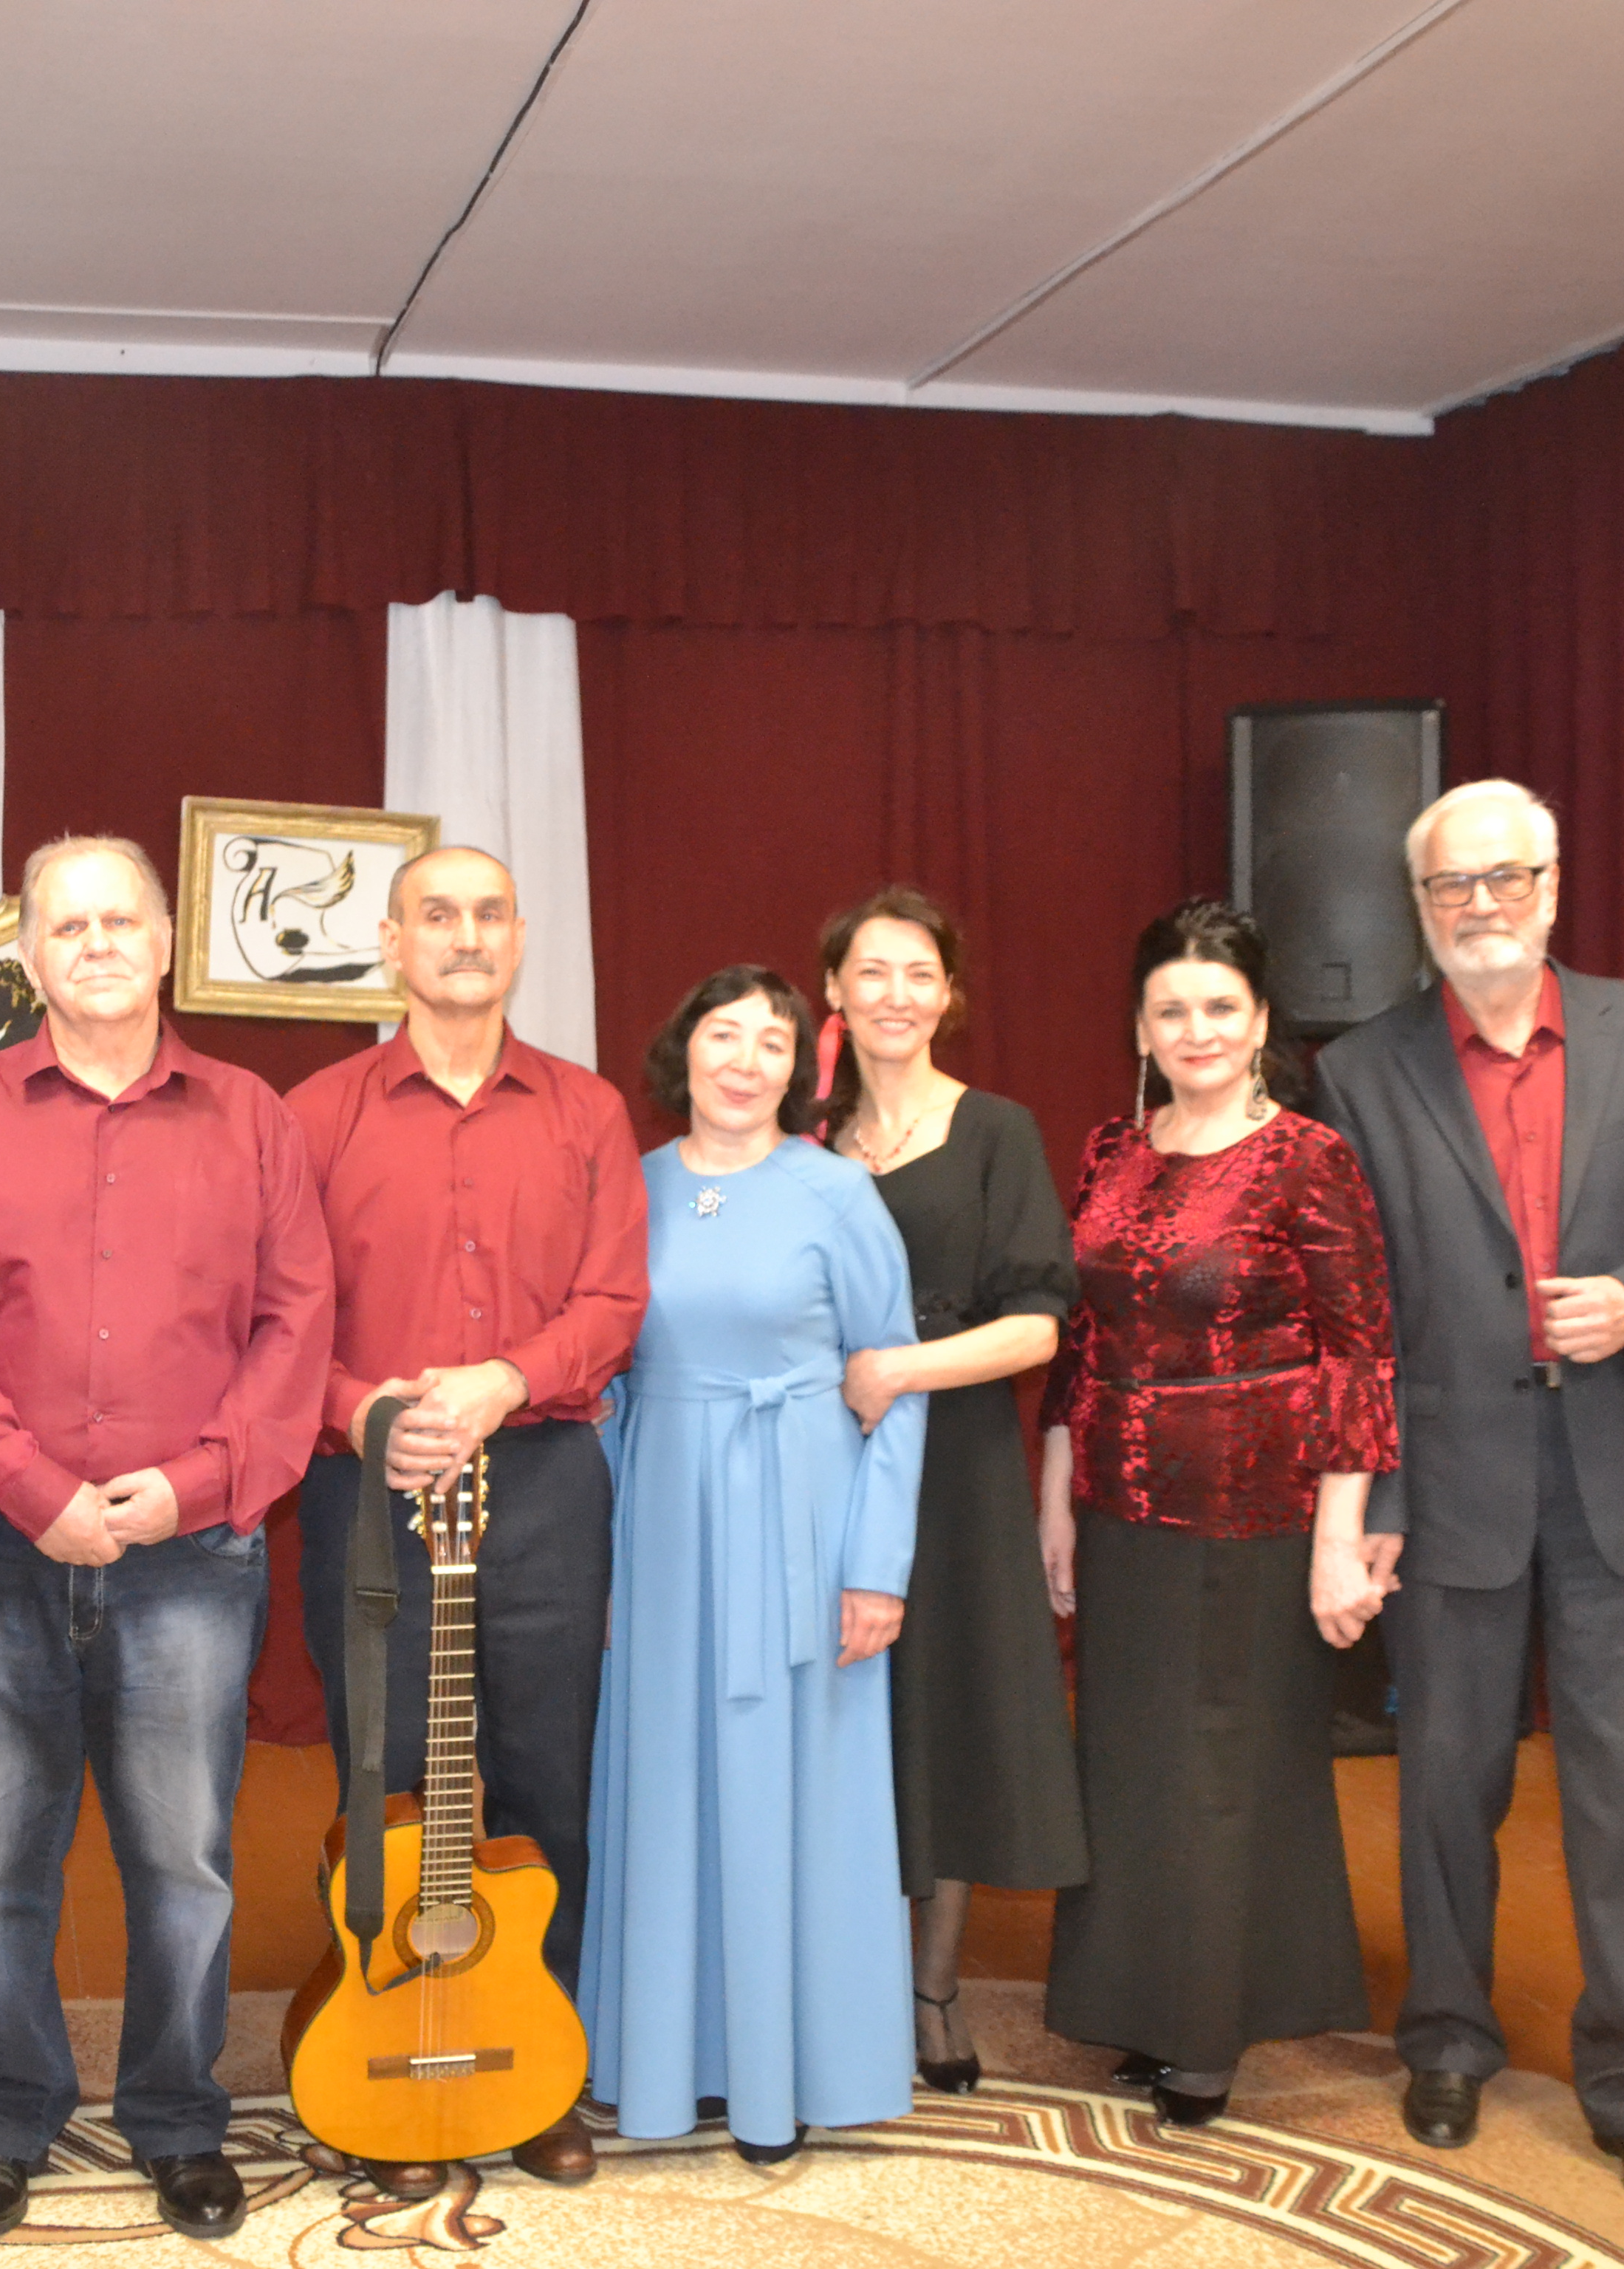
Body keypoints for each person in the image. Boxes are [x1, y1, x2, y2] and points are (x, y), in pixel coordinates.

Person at [0, 835, 334, 2246]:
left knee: (185, 1866)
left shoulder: (254, 1119)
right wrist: (33, 1489)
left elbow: (294, 1324)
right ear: (29, 956)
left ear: (167, 939)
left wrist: (195, 1486)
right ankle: (5, 2118)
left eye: (121, 920)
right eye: (67, 927)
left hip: (189, 1555)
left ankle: (179, 2119)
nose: (98, 945)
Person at [1312, 781, 1624, 2225]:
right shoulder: (1360, 1069)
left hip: (1623, 1469)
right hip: (1449, 1480)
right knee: (1448, 1785)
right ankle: (1448, 2041)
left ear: (1553, 885)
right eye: (1451, 885)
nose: (1481, 905)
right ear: (1419, 907)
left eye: (1506, 877)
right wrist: (1373, 1494)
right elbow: (1356, 1308)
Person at [287, 845, 645, 2194]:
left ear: (520, 937)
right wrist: (368, 1412)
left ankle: (536, 2067)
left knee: (546, 1779)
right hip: (371, 1489)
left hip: (543, 1479)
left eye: (489, 913)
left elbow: (614, 1302)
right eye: (436, 914)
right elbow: (276, 1320)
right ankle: (388, 2048)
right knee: (386, 1783)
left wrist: (506, 1380)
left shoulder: (586, 1110)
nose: (465, 935)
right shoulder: (315, 1115)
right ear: (392, 944)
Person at [1034, 900, 1399, 2127]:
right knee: (1129, 1767)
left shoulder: (1307, 1157)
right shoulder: (1109, 1150)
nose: (1196, 1029)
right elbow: (1077, 1345)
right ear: (1140, 1027)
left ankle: (1206, 2030)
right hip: (1118, 1512)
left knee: (1223, 1772)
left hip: (1255, 1513)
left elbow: (1359, 1355)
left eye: (1220, 1008)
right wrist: (1056, 1501)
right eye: (1171, 1009)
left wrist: (1341, 1539)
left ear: (1260, 1022)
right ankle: (1140, 2006)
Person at [580, 965, 926, 2164]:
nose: (745, 1061)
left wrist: (876, 1568)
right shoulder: (629, 1187)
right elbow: (604, 1387)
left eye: (772, 1042)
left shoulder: (840, 1193)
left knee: (801, 1798)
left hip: (804, 1525)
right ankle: (668, 2065)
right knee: (668, 1786)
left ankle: (792, 2076)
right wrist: (600, 1567)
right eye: (723, 1035)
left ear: (800, 1068)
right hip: (664, 1523)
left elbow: (896, 1383)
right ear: (684, 1051)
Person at [815, 889, 1083, 2095]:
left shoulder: (996, 1133)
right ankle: (840, 1972)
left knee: (948, 1713)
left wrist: (898, 1372)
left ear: (949, 996)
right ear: (833, 990)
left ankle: (931, 1990)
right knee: (843, 1714)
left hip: (956, 1462)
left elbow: (1038, 1327)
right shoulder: (799, 1136)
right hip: (819, 1464)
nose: (895, 995)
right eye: (871, 972)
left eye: (919, 973)